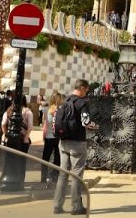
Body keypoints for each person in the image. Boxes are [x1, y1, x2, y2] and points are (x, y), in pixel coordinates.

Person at [54, 79, 97, 215]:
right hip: (77, 143)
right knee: (77, 175)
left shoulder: (65, 102)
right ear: (83, 88)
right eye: (87, 90)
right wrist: (94, 125)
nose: (87, 93)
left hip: (63, 142)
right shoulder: (82, 103)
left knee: (63, 174)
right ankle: (76, 206)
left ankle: (57, 205)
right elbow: (86, 122)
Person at [41, 92, 62, 186]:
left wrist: (43, 135)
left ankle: (43, 177)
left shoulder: (45, 110)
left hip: (48, 136)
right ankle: (54, 177)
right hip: (58, 137)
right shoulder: (61, 110)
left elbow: (45, 124)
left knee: (45, 157)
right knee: (57, 158)